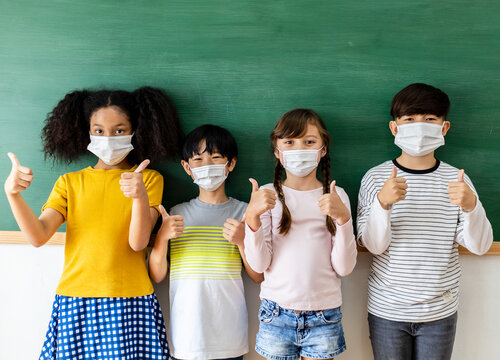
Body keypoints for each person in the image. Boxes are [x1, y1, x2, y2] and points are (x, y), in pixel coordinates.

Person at [4, 87, 183, 360]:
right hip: (76, 299)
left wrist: (138, 196)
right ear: (86, 132)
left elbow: (137, 243)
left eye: (119, 130)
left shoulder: (148, 179)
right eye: (99, 131)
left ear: (136, 131)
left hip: (131, 299)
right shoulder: (69, 183)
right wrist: (13, 195)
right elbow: (38, 236)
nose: (109, 138)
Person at [357, 83, 493, 360]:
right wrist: (382, 204)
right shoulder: (375, 178)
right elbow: (373, 245)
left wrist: (472, 207)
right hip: (388, 309)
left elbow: (479, 246)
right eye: (409, 119)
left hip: (439, 311)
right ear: (395, 128)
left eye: (430, 119)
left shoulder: (458, 181)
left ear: (444, 128)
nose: (419, 126)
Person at [243, 108, 357, 360]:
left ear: (323, 149)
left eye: (309, 141)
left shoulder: (337, 196)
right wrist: (252, 218)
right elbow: (260, 265)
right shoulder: (266, 196)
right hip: (276, 312)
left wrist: (343, 219)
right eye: (290, 142)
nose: (299, 149)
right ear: (277, 152)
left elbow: (345, 267)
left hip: (324, 313)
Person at [149, 124, 263, 360]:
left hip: (229, 336)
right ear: (187, 167)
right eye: (198, 159)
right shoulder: (176, 213)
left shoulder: (244, 212)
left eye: (216, 157)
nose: (207, 166)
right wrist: (161, 238)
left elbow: (257, 276)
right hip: (187, 337)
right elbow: (157, 276)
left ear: (230, 164)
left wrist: (242, 242)